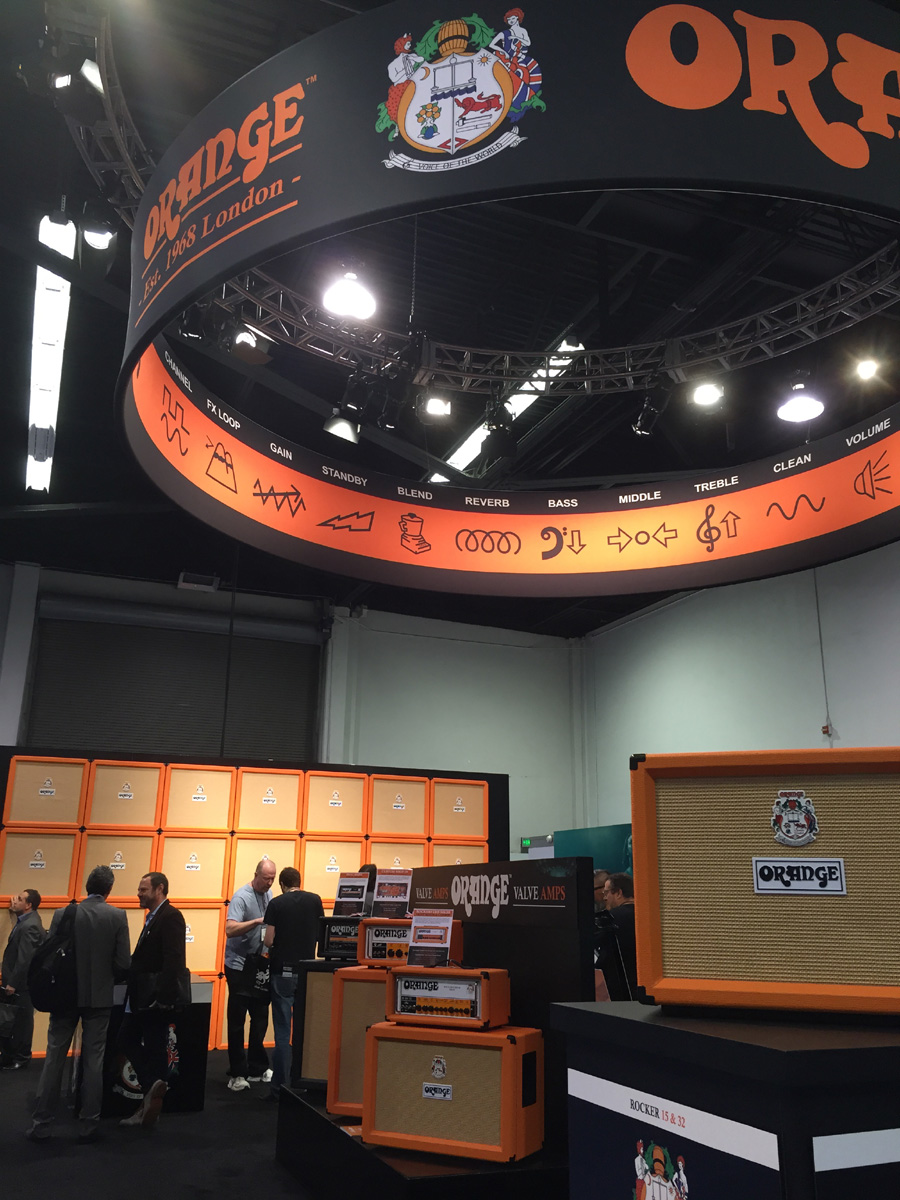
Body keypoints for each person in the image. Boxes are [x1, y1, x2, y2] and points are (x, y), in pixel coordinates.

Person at [27, 865, 130, 1143]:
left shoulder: (63, 913)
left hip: (64, 996)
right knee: (94, 1060)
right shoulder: (117, 916)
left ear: (87, 886)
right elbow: (123, 963)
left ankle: (42, 1123)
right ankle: (89, 1124)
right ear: (109, 890)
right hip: (99, 999)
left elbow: (50, 953)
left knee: (54, 1057)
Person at [117, 872, 187, 1129]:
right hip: (142, 998)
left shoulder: (171, 917)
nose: (139, 893)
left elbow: (174, 959)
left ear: (160, 889)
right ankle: (151, 1091)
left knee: (152, 1046)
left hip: (155, 999)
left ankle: (149, 1101)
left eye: (143, 889)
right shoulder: (154, 917)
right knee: (130, 1040)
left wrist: (164, 998)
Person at [262, 867, 323, 1099]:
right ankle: (304, 1081)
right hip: (307, 972)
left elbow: (268, 940)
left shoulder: (276, 904)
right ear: (299, 881)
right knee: (304, 1030)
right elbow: (319, 934)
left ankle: (279, 1087)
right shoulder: (315, 900)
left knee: (282, 1032)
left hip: (282, 973)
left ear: (282, 884)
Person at [224, 857, 276, 1091]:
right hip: (239, 966)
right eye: (266, 879)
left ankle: (257, 1067)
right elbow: (229, 929)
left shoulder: (269, 894)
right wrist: (255, 921)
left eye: (272, 879)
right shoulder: (241, 897)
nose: (269, 883)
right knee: (237, 1020)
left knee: (260, 1016)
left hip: (259, 964)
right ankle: (237, 1072)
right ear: (256, 875)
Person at [1, 888, 46, 1070]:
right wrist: (14, 911)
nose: (15, 900)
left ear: (28, 905)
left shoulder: (30, 926)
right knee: (14, 1022)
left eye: (20, 899)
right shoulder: (26, 921)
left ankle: (21, 1058)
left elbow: (24, 959)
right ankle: (11, 1056)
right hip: (18, 983)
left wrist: (12, 982)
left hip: (22, 985)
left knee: (22, 1022)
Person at [594, 871, 637, 1000]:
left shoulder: (609, 918)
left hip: (618, 986)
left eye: (606, 892)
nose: (605, 898)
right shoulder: (649, 915)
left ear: (618, 893)